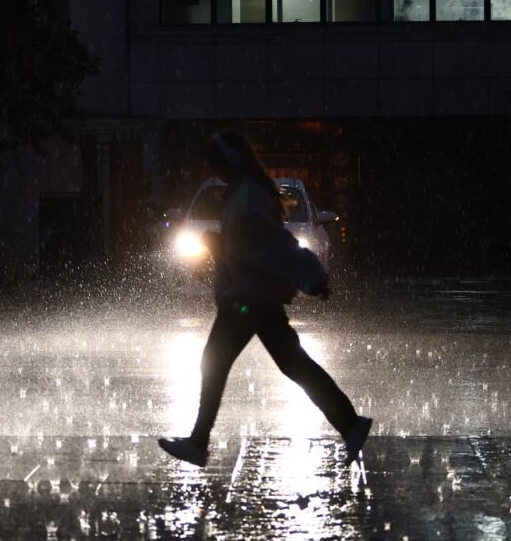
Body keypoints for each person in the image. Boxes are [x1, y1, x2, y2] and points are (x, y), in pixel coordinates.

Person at [158, 130, 371, 467]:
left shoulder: (247, 196)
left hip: (249, 298)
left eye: (216, 164)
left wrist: (310, 277)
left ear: (230, 161)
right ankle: (350, 423)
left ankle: (199, 442)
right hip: (252, 296)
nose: (215, 171)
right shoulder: (244, 192)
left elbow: (272, 244)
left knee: (218, 361)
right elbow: (255, 243)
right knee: (292, 364)